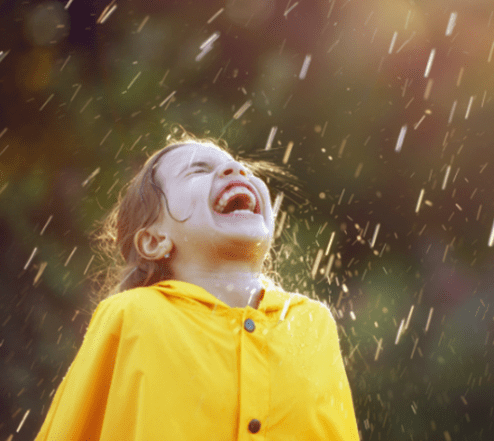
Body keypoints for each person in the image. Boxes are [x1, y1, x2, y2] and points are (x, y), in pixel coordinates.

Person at [35, 133, 360, 440]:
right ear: (154, 240)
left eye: (240, 167)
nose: (236, 169)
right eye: (198, 170)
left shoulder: (313, 325)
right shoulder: (130, 315)